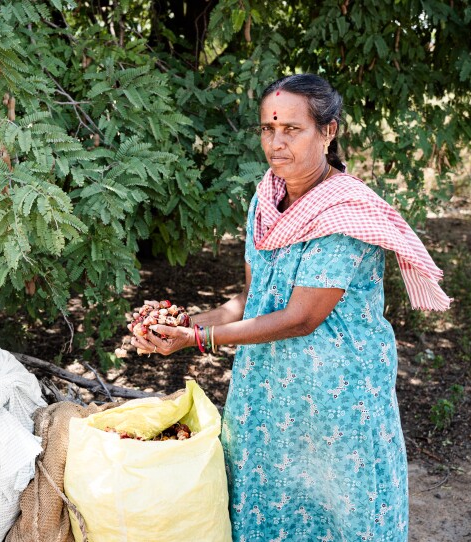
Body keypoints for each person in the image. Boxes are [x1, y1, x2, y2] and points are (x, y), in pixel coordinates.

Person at [131, 73, 451, 541]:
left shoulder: (344, 213)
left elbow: (302, 316)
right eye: (267, 129)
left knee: (341, 511)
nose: (276, 143)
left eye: (291, 129)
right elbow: (251, 298)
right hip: (266, 394)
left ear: (329, 131)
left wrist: (199, 340)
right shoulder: (267, 198)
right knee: (268, 507)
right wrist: (182, 323)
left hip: (337, 398)